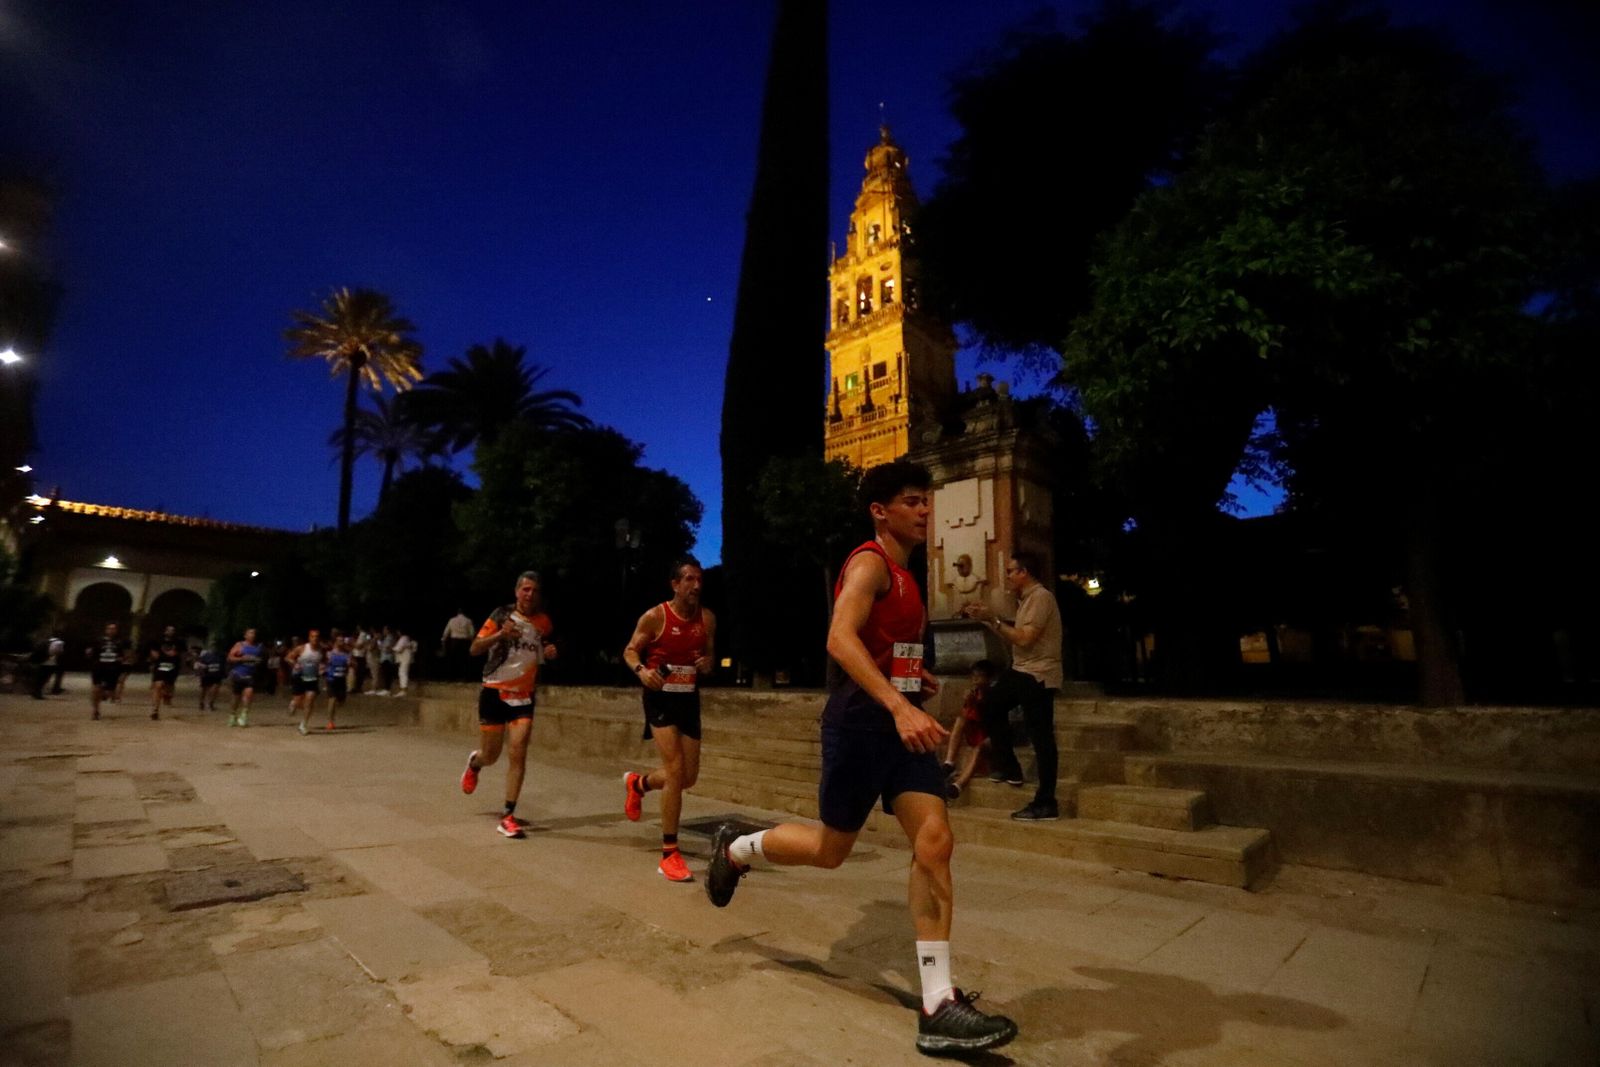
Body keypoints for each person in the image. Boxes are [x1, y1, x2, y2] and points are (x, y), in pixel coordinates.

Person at [704, 461, 1018, 1057]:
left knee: (935, 841)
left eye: (926, 500)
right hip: (859, 728)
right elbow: (839, 638)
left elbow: (881, 649)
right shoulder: (871, 563)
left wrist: (912, 680)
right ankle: (737, 847)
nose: (925, 510)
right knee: (830, 851)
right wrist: (898, 707)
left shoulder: (907, 575)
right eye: (911, 501)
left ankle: (937, 1005)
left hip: (900, 734)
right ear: (880, 511)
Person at [621, 556, 717, 883]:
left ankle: (639, 783)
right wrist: (642, 672)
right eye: (688, 579)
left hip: (688, 699)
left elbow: (710, 658)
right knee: (675, 769)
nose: (696, 585)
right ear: (675, 585)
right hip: (659, 697)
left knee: (688, 777)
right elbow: (630, 650)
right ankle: (669, 853)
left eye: (699, 579)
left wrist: (707, 664)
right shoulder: (655, 616)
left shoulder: (707, 618)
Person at [961, 551, 1064, 821]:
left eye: (1010, 571)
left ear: (1024, 573)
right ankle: (1010, 767)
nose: (1006, 575)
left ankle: (1046, 801)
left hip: (1039, 674)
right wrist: (987, 618)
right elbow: (1014, 636)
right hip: (1022, 670)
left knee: (1042, 738)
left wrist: (993, 620)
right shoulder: (1026, 600)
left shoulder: (1042, 598)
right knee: (990, 704)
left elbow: (1025, 638)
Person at [458, 571, 558, 838]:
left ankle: (508, 814)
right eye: (525, 589)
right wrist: (501, 634)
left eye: (535, 590)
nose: (530, 594)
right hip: (494, 691)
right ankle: (475, 763)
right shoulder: (501, 615)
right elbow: (475, 648)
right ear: (516, 592)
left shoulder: (543, 622)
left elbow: (542, 649)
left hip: (523, 696)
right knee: (491, 755)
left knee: (519, 750)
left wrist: (550, 652)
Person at [941, 659, 998, 799]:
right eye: (973, 676)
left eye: (979, 676)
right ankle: (949, 762)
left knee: (978, 749)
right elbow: (967, 716)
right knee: (960, 720)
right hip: (977, 732)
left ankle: (959, 785)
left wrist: (977, 704)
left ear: (988, 678)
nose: (975, 679)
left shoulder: (994, 694)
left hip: (993, 735)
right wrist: (969, 703)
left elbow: (992, 721)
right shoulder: (974, 693)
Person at [87, 622, 130, 720]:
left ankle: (103, 695)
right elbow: (91, 652)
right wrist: (89, 654)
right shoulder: (98, 641)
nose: (111, 630)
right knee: (96, 688)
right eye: (109, 628)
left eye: (113, 628)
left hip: (113, 668)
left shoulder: (120, 642)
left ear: (116, 630)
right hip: (99, 667)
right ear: (106, 630)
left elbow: (126, 654)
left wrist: (122, 659)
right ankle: (95, 711)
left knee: (110, 692)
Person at [287, 629, 325, 735]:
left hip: (312, 678)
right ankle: (294, 703)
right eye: (313, 636)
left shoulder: (321, 650)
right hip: (299, 676)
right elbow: (288, 657)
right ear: (309, 638)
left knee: (310, 700)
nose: (315, 638)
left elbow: (323, 661)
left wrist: (322, 667)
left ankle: (303, 724)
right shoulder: (302, 648)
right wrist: (295, 664)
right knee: (299, 702)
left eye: (317, 636)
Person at [226, 628, 264, 727]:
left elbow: (259, 660)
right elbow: (229, 658)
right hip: (238, 674)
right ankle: (232, 715)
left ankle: (244, 716)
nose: (252, 635)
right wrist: (241, 659)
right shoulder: (240, 645)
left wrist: (257, 661)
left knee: (249, 695)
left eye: (254, 633)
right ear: (245, 635)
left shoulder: (258, 647)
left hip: (250, 676)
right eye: (250, 633)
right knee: (236, 698)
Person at [148, 625, 183, 720]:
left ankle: (166, 695)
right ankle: (155, 710)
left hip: (172, 667)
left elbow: (178, 653)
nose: (171, 632)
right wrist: (157, 658)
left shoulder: (178, 642)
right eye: (169, 630)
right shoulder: (158, 641)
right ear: (165, 631)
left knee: (167, 689)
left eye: (173, 630)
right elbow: (153, 653)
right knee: (158, 685)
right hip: (160, 666)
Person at [324, 636, 353, 729]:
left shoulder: (346, 654)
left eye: (342, 641)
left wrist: (350, 665)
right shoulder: (330, 653)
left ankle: (332, 712)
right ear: (335, 642)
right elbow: (325, 664)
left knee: (341, 701)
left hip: (341, 679)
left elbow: (350, 665)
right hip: (331, 679)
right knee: (332, 699)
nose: (342, 642)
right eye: (340, 641)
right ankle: (330, 721)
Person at [442, 608, 475, 680]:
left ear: (457, 612)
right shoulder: (468, 621)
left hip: (454, 641)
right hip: (464, 641)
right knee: (464, 660)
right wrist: (472, 642)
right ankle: (464, 677)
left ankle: (452, 677)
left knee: (453, 659)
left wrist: (444, 640)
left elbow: (446, 632)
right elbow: (472, 633)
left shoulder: (452, 620)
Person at [195, 644, 224, 710]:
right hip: (206, 674)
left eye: (215, 647)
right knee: (204, 689)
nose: (214, 649)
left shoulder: (221, 655)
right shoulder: (205, 656)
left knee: (214, 688)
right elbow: (198, 665)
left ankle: (211, 703)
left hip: (217, 674)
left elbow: (223, 665)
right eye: (212, 647)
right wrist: (202, 668)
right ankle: (201, 702)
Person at [393, 629, 415, 695]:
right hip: (405, 658)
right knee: (403, 672)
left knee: (402, 672)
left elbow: (399, 649)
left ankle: (403, 690)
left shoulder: (403, 638)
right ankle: (403, 689)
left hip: (404, 658)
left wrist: (392, 648)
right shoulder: (407, 638)